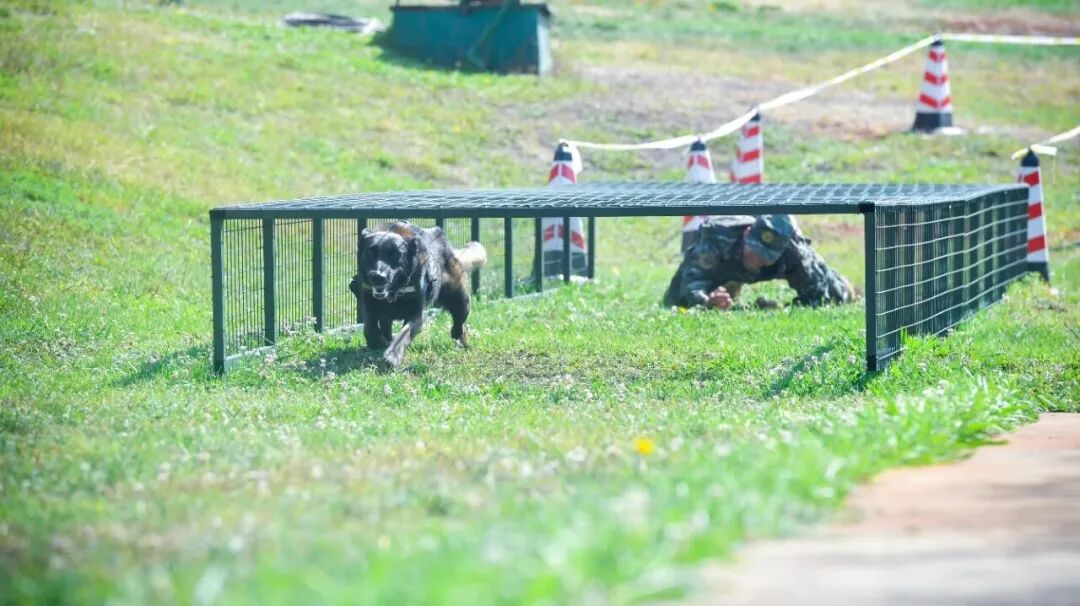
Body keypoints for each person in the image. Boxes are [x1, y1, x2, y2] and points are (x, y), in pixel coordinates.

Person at [663, 214, 854, 310]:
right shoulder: (717, 240)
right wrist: (708, 303)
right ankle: (729, 290)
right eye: (753, 251)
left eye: (765, 256)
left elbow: (822, 294)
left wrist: (782, 309)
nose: (756, 260)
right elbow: (689, 288)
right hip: (723, 269)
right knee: (674, 301)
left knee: (839, 293)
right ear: (747, 234)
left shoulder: (793, 250)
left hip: (793, 255)